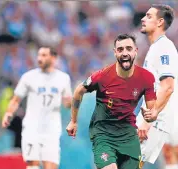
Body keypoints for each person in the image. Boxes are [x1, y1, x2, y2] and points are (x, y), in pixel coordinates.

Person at [66, 34, 157, 169]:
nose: (125, 53)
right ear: (115, 53)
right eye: (120, 49)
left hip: (128, 135)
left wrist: (151, 116)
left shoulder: (147, 78)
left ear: (135, 51)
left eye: (128, 48)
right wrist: (73, 121)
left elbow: (152, 108)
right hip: (103, 134)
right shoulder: (103, 76)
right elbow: (79, 90)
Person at [2, 47, 72, 169]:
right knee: (32, 166)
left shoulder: (63, 78)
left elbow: (67, 103)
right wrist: (8, 113)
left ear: (53, 58)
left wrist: (71, 102)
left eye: (44, 55)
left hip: (52, 129)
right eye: (39, 55)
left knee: (50, 166)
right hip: (32, 128)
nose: (40, 58)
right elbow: (16, 99)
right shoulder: (28, 77)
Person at [136, 4, 178, 167]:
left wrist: (148, 120)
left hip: (155, 119)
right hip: (149, 116)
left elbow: (168, 87)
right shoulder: (155, 47)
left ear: (160, 22)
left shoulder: (164, 48)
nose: (143, 19)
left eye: (148, 16)